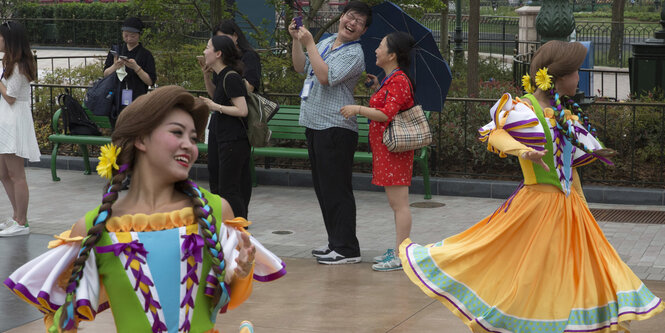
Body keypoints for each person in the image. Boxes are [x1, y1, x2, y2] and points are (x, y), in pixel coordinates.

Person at [399, 40, 664, 332]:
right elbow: (494, 134)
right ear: (559, 77)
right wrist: (523, 151)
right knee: (528, 274)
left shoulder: (563, 113)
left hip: (569, 210)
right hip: (537, 207)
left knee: (580, 272)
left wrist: (581, 203)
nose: (579, 77)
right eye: (575, 72)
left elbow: (572, 172)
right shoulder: (523, 109)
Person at [4, 85, 286, 332]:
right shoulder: (94, 228)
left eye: (193, 137)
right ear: (141, 140)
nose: (189, 145)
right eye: (177, 132)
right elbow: (62, 317)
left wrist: (240, 271)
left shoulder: (215, 210)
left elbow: (228, 297)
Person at [289, 1, 372, 265]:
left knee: (337, 189)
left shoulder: (354, 54)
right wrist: (296, 41)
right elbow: (301, 67)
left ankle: (348, 248)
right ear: (342, 16)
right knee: (324, 189)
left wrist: (310, 44)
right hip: (314, 124)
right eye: (350, 16)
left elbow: (325, 77)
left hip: (336, 127)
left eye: (359, 21)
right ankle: (335, 242)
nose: (352, 23)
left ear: (363, 30)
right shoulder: (325, 42)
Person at [340, 32, 416, 271]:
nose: (376, 50)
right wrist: (377, 86)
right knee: (396, 204)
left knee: (399, 204)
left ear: (392, 54)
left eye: (381, 46)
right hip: (386, 150)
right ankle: (397, 250)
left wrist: (358, 109)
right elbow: (386, 104)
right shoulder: (390, 79)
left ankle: (401, 254)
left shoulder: (399, 80)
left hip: (394, 151)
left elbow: (386, 114)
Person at [199, 35, 252, 220]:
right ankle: (223, 226)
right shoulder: (221, 76)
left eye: (208, 47)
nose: (204, 51)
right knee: (217, 184)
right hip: (218, 135)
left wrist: (216, 108)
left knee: (230, 188)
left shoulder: (232, 77)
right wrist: (206, 76)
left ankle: (238, 229)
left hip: (232, 140)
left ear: (218, 53)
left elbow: (242, 110)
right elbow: (217, 96)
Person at [0, 21, 40, 237]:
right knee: (3, 172)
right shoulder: (10, 62)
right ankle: (16, 216)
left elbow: (11, 97)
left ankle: (22, 221)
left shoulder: (17, 65)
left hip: (13, 120)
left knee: (16, 174)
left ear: (9, 40)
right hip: (5, 120)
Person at [103, 17, 156, 128]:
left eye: (133, 36)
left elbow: (150, 81)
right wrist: (115, 66)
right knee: (117, 131)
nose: (129, 39)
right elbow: (105, 74)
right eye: (126, 35)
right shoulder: (117, 50)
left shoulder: (146, 55)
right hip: (116, 100)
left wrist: (136, 68)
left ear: (139, 35)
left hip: (137, 100)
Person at [212, 20, 261, 93]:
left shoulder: (249, 56)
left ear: (235, 36)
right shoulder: (221, 59)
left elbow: (250, 88)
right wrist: (206, 75)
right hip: (222, 104)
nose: (221, 43)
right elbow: (216, 94)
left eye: (224, 38)